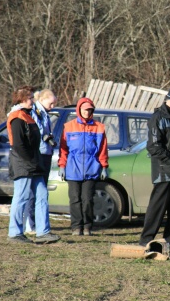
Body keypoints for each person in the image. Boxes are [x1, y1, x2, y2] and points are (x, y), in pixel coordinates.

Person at [7, 86, 60, 244]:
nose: (33, 100)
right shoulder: (17, 117)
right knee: (21, 197)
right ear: (22, 100)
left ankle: (43, 232)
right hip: (23, 163)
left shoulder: (29, 115)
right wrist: (30, 160)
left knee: (42, 194)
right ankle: (15, 233)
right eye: (30, 98)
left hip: (34, 162)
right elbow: (18, 144)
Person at [138, 87, 170, 250]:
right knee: (157, 208)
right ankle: (146, 239)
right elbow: (153, 146)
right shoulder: (158, 117)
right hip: (164, 172)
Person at [58, 97, 109, 236]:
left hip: (92, 168)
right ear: (79, 109)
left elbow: (103, 149)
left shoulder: (99, 127)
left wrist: (104, 166)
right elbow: (63, 149)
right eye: (85, 109)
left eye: (90, 110)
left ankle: (87, 227)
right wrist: (62, 166)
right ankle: (76, 227)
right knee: (75, 199)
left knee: (87, 200)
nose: (87, 112)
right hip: (73, 169)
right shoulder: (69, 126)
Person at [24, 89, 58, 235]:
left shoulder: (45, 114)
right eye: (51, 103)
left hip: (46, 153)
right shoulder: (35, 112)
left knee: (41, 190)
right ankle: (29, 224)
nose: (53, 106)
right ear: (43, 100)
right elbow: (36, 131)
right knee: (34, 190)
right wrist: (44, 137)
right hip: (38, 154)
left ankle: (37, 223)